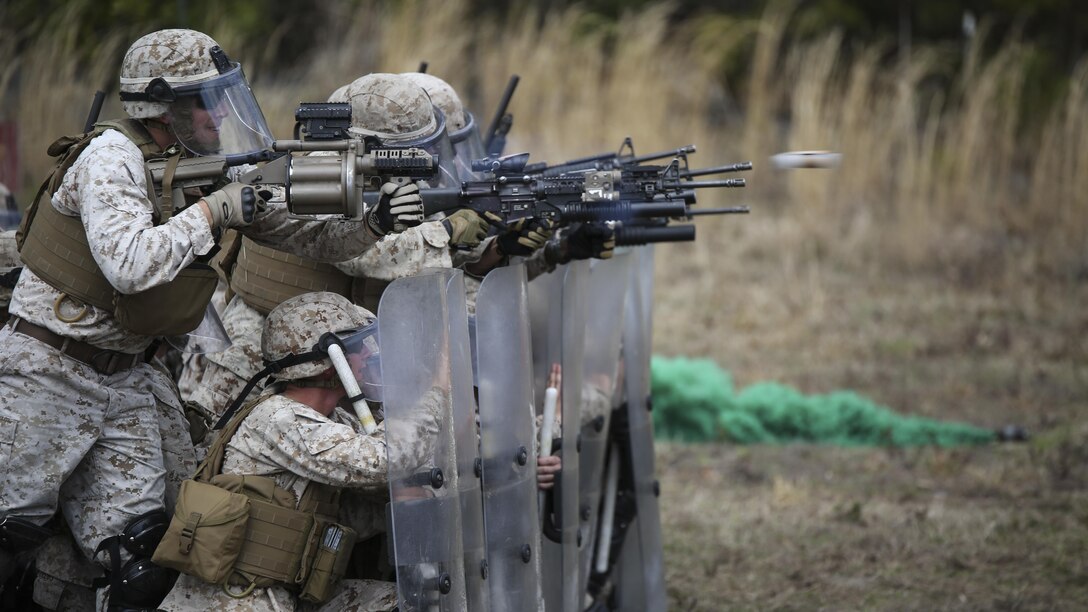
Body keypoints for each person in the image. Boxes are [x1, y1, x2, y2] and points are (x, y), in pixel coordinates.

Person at [0, 29, 421, 612]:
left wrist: (375, 223)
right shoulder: (111, 159)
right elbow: (129, 263)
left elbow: (306, 238)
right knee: (11, 530)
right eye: (207, 99)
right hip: (49, 368)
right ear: (163, 107)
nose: (221, 111)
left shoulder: (202, 165)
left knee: (146, 557)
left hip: (126, 379)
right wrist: (213, 210)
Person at [158, 291, 438, 612]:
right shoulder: (279, 417)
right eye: (357, 349)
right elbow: (383, 459)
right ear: (330, 364)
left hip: (287, 592)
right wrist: (438, 396)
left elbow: (351, 503)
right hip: (234, 598)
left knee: (406, 603)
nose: (366, 357)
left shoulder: (334, 420)